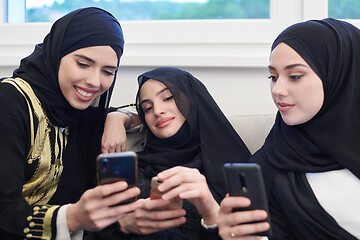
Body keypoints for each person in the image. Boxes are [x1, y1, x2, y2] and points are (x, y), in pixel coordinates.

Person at [0, 7, 142, 240]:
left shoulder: (78, 112)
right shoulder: (10, 102)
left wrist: (117, 118)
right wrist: (72, 217)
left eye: (108, 71)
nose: (95, 82)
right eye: (83, 64)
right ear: (57, 55)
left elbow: (145, 113)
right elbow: (3, 209)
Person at [218, 18, 360, 240]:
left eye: (294, 76)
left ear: (340, 74)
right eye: (273, 77)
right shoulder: (267, 171)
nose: (278, 90)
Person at [93, 67, 251, 239]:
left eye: (168, 98)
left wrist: (211, 213)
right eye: (147, 108)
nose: (157, 111)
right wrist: (122, 225)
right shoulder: (132, 169)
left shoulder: (233, 166)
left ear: (192, 100)